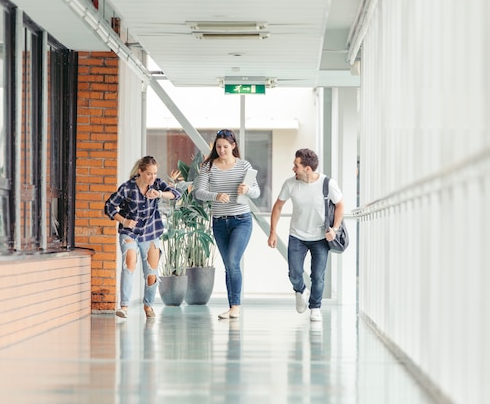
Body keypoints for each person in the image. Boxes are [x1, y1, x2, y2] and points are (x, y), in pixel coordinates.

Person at [267, 148, 344, 322]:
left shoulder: (327, 184)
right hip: (297, 236)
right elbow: (278, 207)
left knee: (318, 276)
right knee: (294, 273)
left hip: (320, 237)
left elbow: (340, 205)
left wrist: (335, 229)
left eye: (296, 166)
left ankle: (315, 307)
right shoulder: (290, 184)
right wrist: (273, 232)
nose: (293, 169)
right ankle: (300, 290)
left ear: (307, 168)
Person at [193, 129, 261, 319]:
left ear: (233, 146)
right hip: (219, 222)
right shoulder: (208, 167)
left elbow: (257, 192)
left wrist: (247, 189)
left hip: (241, 221)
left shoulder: (243, 166)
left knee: (233, 261)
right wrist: (215, 195)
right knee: (228, 265)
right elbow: (198, 192)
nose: (221, 150)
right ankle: (232, 307)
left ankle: (236, 307)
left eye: (225, 146)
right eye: (218, 146)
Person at [104, 156, 181, 319]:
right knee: (129, 262)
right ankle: (124, 306)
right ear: (140, 171)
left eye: (154, 173)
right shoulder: (127, 188)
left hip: (151, 232)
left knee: (151, 273)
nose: (152, 177)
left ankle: (148, 306)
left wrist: (159, 194)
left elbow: (176, 194)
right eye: (149, 174)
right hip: (129, 232)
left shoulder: (157, 184)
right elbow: (109, 206)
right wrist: (124, 221)